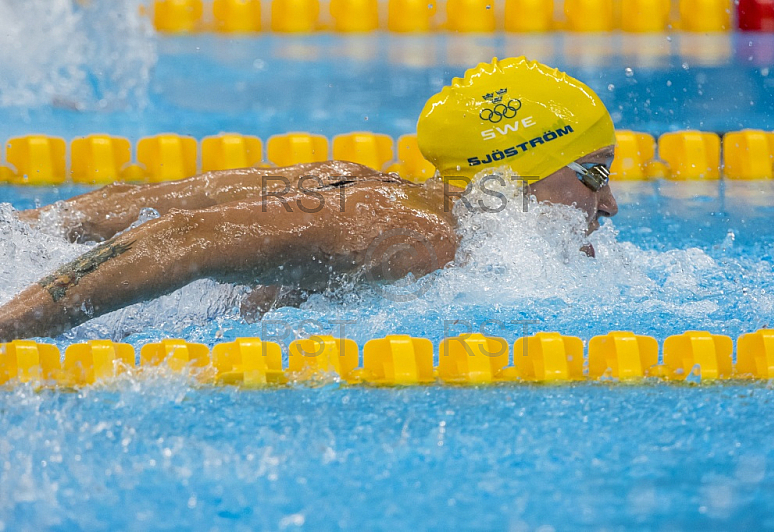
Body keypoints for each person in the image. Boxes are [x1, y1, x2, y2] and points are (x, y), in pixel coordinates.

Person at [0, 56, 618, 341]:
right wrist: (10, 325)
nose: (608, 203)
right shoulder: (404, 231)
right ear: (507, 178)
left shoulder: (355, 182)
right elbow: (173, 236)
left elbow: (136, 200)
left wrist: (17, 231)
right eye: (592, 175)